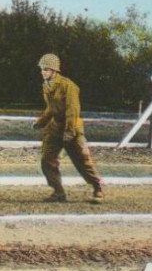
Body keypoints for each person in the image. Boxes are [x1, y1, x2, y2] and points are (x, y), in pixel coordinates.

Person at [34, 53, 105, 204]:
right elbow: (50, 109)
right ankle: (58, 192)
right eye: (42, 69)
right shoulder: (46, 86)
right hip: (55, 127)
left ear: (54, 71)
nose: (43, 72)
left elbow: (72, 111)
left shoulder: (69, 86)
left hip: (72, 127)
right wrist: (41, 122)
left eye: (46, 69)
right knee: (47, 160)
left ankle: (97, 187)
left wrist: (70, 132)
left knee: (82, 160)